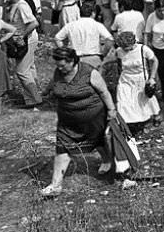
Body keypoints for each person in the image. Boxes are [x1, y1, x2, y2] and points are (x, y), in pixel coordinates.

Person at [39, 47, 117, 197]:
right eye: (58, 65)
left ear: (72, 61)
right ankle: (56, 186)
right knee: (62, 147)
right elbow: (53, 82)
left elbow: (104, 92)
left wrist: (112, 111)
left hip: (93, 117)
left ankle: (107, 161)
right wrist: (46, 92)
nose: (60, 68)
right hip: (67, 120)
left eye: (63, 65)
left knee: (98, 141)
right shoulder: (59, 72)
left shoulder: (89, 72)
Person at [103, 32, 160, 135]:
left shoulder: (143, 49)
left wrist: (152, 78)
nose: (126, 50)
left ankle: (151, 117)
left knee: (143, 100)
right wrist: (103, 63)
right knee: (123, 100)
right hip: (125, 79)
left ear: (133, 43)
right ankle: (127, 123)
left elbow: (155, 61)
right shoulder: (119, 51)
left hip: (140, 78)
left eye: (128, 48)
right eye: (124, 48)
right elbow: (112, 60)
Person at [1, 0, 42, 109]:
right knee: (29, 68)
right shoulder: (10, 4)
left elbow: (34, 23)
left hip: (27, 40)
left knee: (21, 71)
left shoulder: (22, 6)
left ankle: (36, 100)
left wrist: (21, 36)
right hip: (20, 40)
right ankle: (31, 99)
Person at [54, 2, 114, 70]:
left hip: (75, 58)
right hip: (93, 58)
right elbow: (110, 40)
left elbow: (57, 38)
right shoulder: (97, 25)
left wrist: (65, 52)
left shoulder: (71, 25)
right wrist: (104, 53)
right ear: (93, 13)